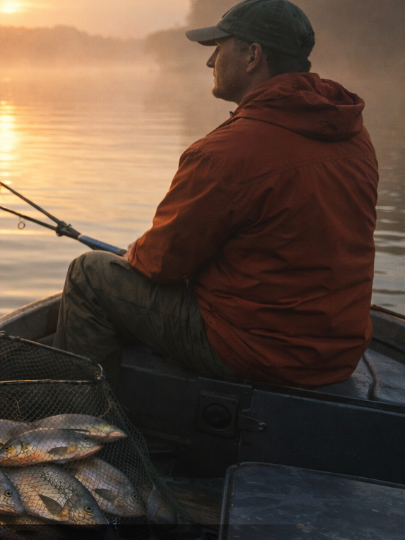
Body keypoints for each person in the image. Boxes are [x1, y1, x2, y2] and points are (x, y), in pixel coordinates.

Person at [53, 0, 379, 389]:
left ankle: (78, 425)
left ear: (252, 56)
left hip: (259, 351)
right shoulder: (355, 136)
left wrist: (133, 254)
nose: (210, 62)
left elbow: (162, 263)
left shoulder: (226, 154)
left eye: (219, 47)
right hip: (338, 354)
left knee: (89, 275)